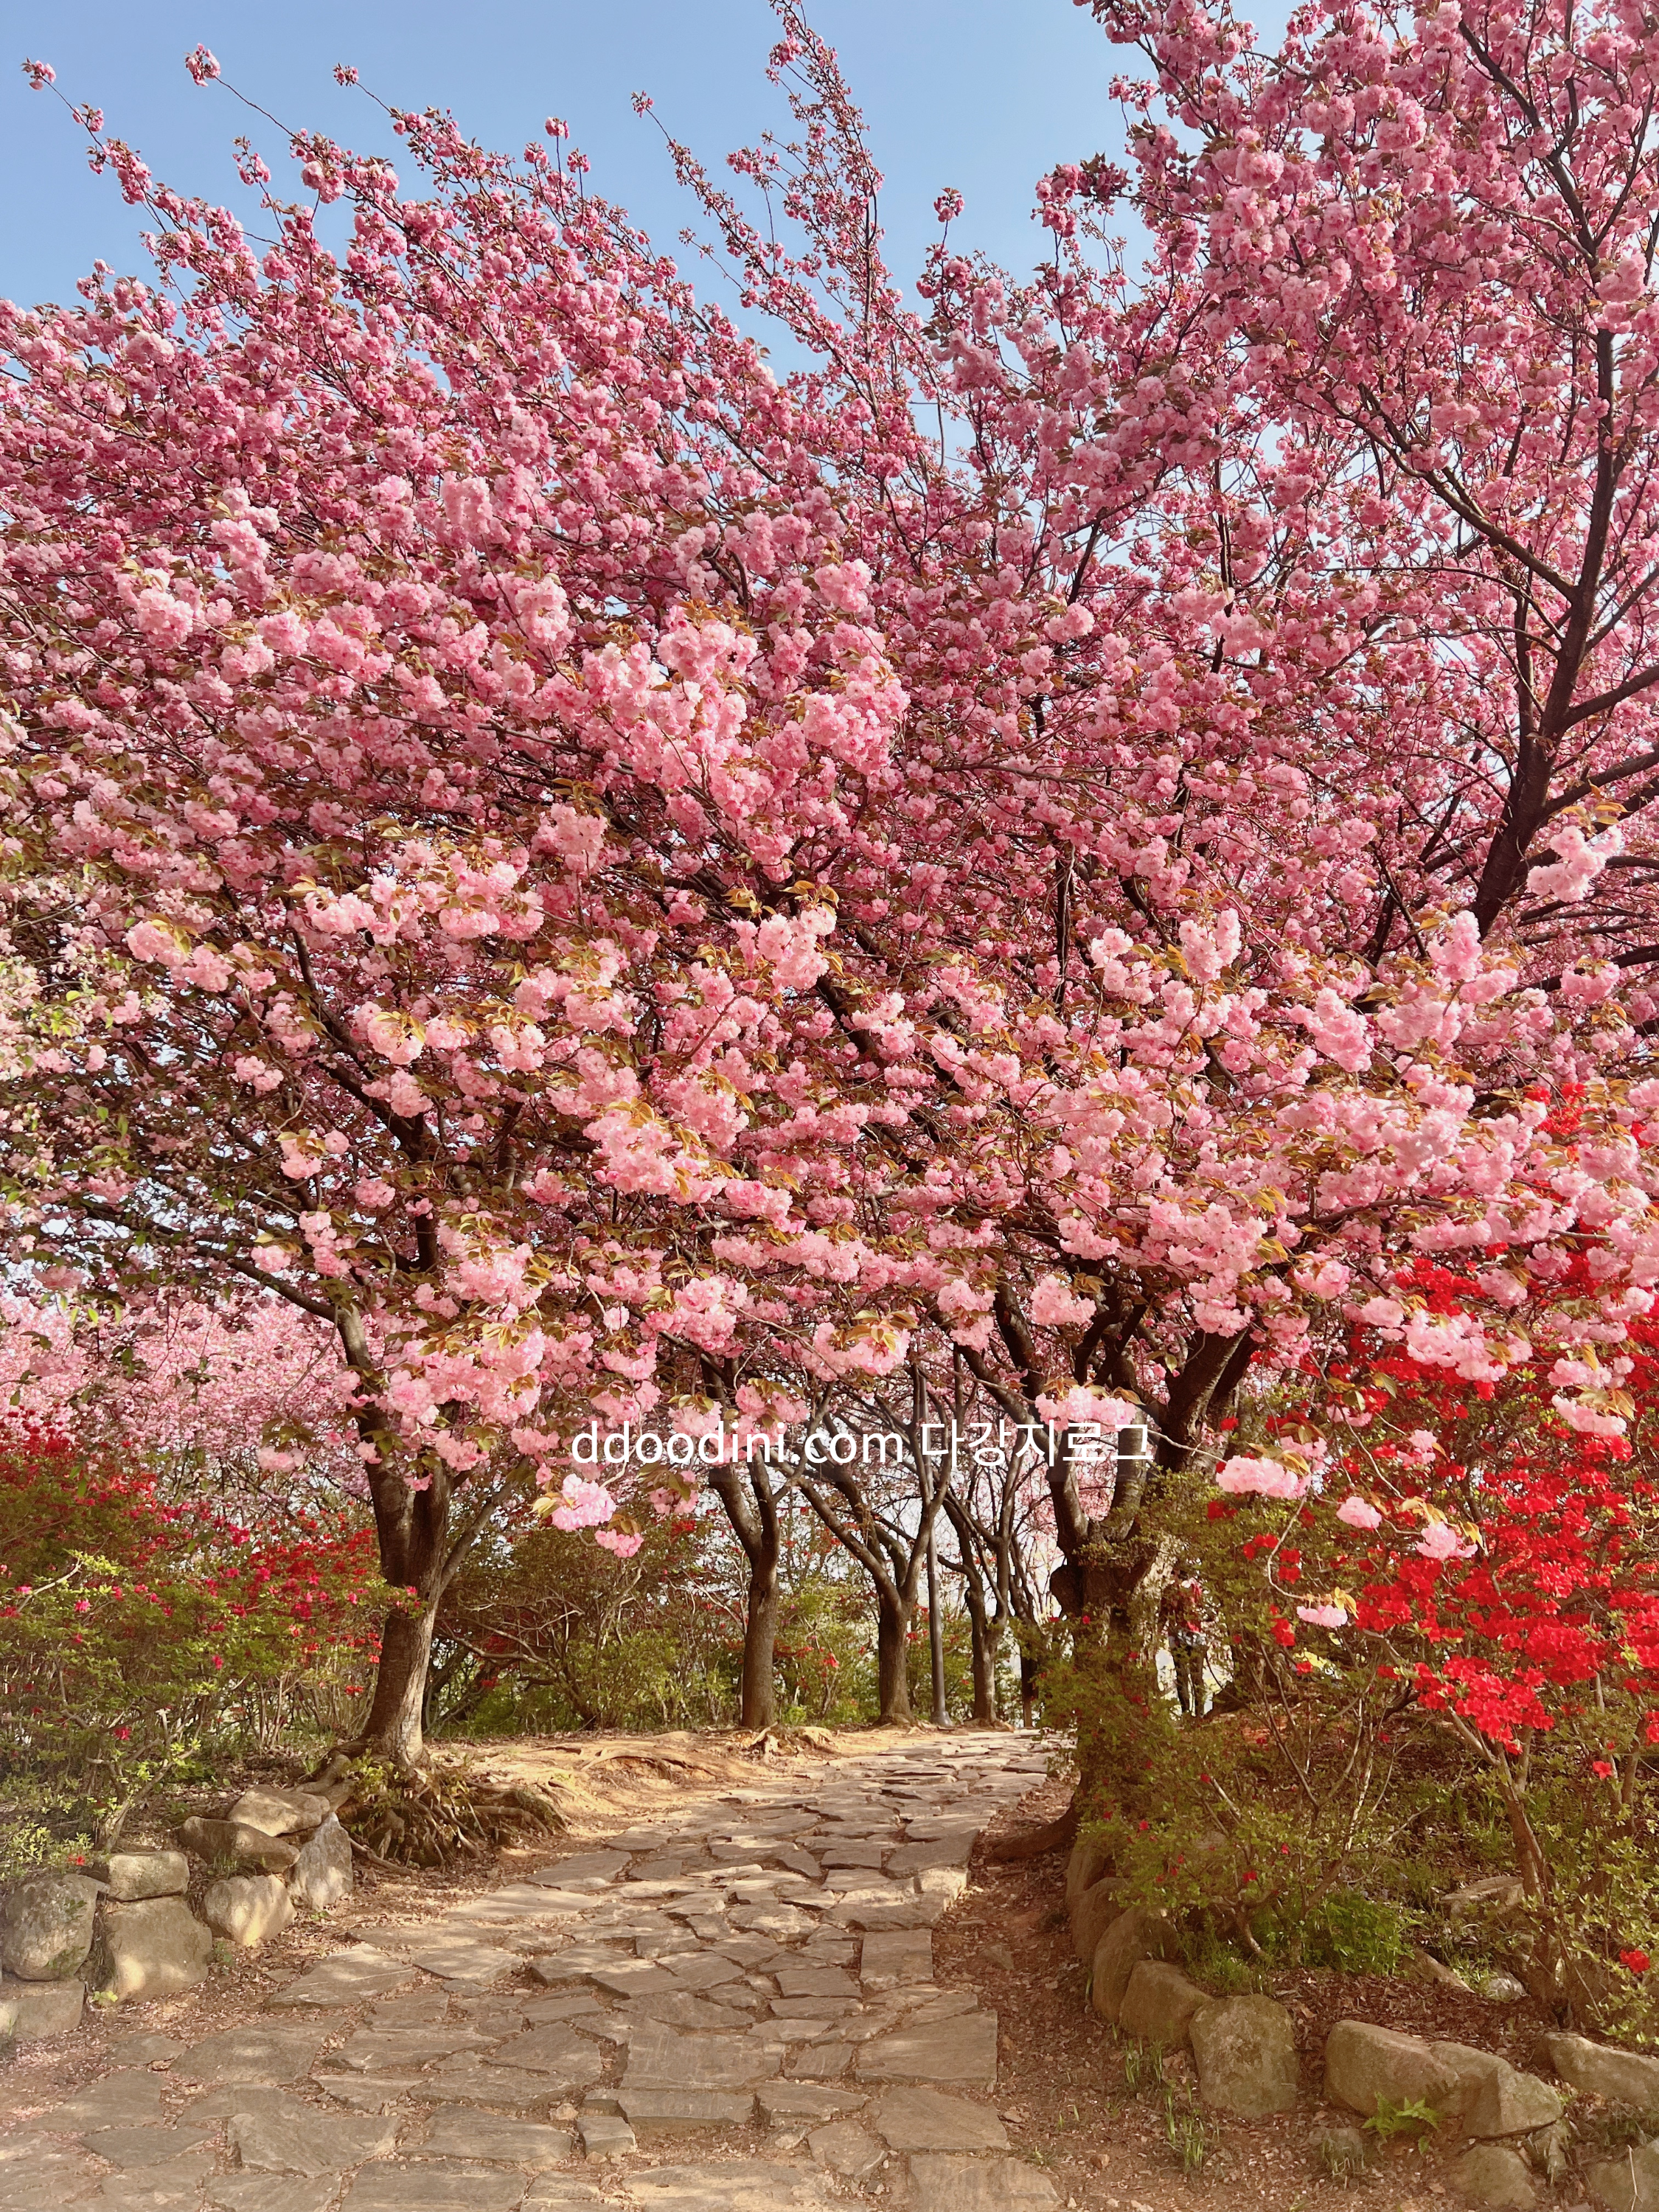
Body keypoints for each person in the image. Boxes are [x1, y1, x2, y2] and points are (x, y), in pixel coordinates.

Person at [1160, 1558, 1208, 1719]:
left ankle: (1200, 1714)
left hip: (1195, 1636)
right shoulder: (1169, 1591)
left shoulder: (1195, 1589)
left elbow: (1204, 1610)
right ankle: (1186, 1714)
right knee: (1182, 1676)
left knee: (1196, 1677)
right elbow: (1163, 1614)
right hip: (1177, 1637)